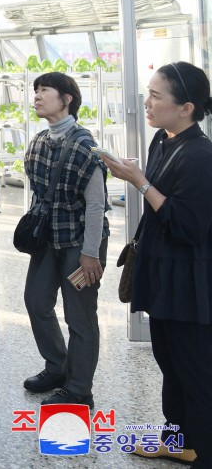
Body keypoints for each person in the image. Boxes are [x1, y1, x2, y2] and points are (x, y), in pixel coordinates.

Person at [101, 61, 212, 466]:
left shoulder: (201, 155)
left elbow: (188, 226)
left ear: (186, 107)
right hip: (164, 273)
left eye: (156, 96)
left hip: (188, 281)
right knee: (170, 363)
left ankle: (204, 451)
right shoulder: (163, 141)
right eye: (147, 93)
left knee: (194, 370)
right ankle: (178, 439)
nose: (146, 102)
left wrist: (140, 182)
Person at [22, 72, 109, 408]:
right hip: (47, 239)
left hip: (80, 244)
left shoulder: (86, 147)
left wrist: (90, 254)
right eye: (36, 90)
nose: (37, 96)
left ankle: (79, 389)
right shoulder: (39, 141)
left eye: (45, 90)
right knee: (36, 301)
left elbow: (96, 205)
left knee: (80, 316)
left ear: (67, 98)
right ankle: (57, 366)